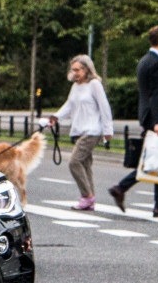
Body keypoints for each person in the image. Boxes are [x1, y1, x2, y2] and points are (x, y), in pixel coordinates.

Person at [108, 25, 158, 218]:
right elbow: (156, 95)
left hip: (148, 116)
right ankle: (151, 201)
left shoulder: (144, 61)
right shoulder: (155, 63)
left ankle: (155, 202)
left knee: (156, 159)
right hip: (156, 119)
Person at [48, 55, 113, 210]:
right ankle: (90, 199)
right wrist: (56, 117)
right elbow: (69, 106)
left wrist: (107, 130)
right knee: (85, 164)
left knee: (74, 162)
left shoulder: (94, 84)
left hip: (93, 130)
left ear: (86, 69)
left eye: (77, 70)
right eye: (73, 70)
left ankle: (87, 196)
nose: (74, 73)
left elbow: (104, 106)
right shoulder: (75, 87)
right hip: (80, 130)